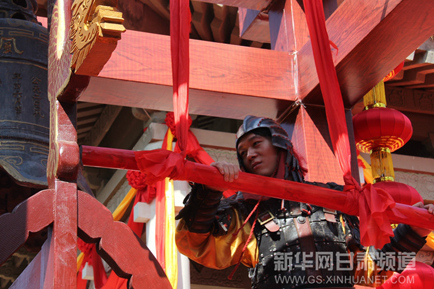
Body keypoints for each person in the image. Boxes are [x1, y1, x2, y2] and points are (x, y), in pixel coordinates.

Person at [175, 116, 433, 289]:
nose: (250, 154)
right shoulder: (246, 209)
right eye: (243, 152)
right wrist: (210, 192)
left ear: (279, 146)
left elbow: (376, 268)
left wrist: (416, 229)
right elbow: (195, 242)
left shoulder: (335, 200)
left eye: (256, 144)